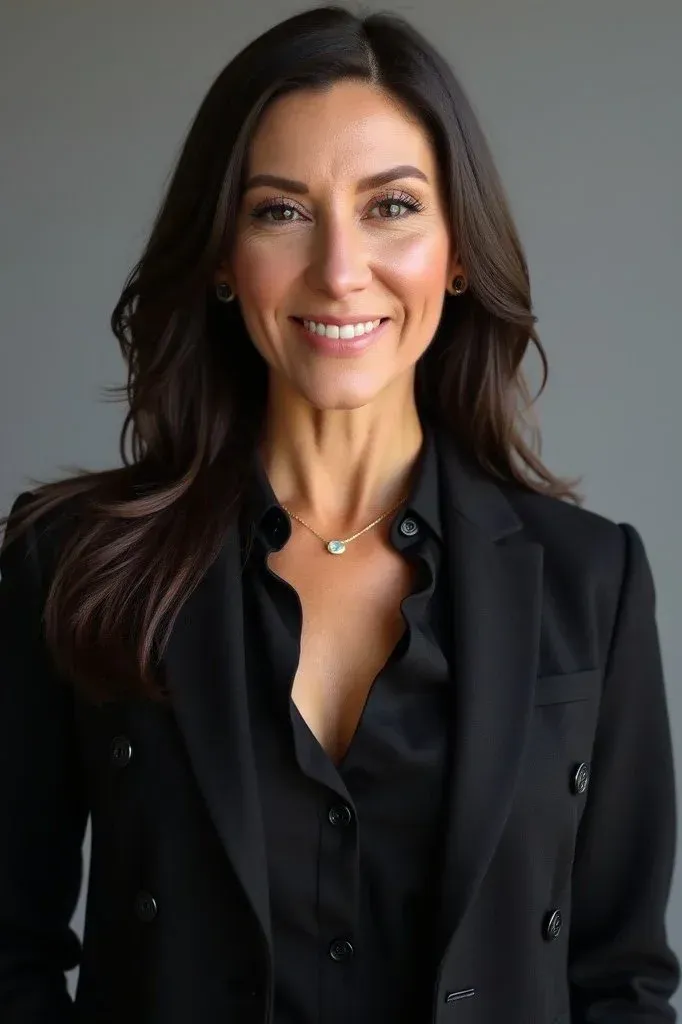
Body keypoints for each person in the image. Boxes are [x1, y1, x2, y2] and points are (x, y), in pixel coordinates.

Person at [0, 5, 678, 1023]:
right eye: (281, 211)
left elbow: (622, 980)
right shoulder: (73, 563)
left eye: (391, 206)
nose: (340, 270)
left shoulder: (591, 581)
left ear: (456, 249)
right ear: (224, 259)